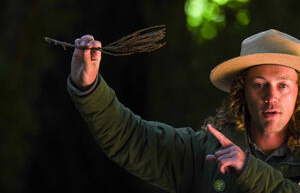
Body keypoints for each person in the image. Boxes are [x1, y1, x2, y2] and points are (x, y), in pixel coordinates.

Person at [67, 29, 300, 192]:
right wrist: (89, 88)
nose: (271, 97)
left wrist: (248, 170)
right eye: (259, 85)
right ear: (242, 91)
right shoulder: (204, 153)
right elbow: (131, 138)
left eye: (283, 86)